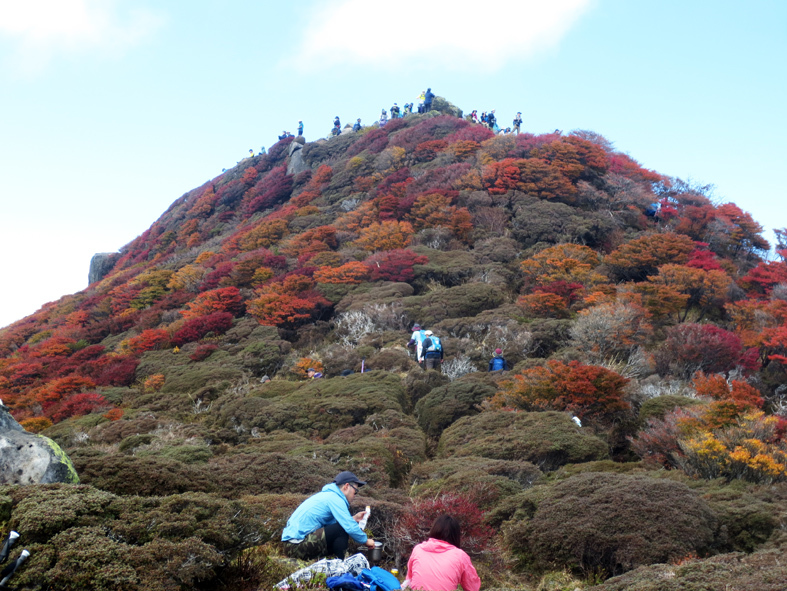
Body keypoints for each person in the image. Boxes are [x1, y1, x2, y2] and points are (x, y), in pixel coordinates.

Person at [282, 471, 376, 560]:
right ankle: (341, 566)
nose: (355, 495)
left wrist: (353, 518)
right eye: (355, 491)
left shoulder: (328, 495)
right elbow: (348, 527)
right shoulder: (335, 498)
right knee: (341, 529)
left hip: (291, 545)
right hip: (295, 546)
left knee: (339, 531)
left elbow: (331, 525)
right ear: (346, 486)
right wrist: (366, 541)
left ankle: (338, 562)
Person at [404, 515, 480, 591]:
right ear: (456, 535)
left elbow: (409, 579)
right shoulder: (460, 556)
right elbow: (473, 588)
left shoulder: (418, 549)